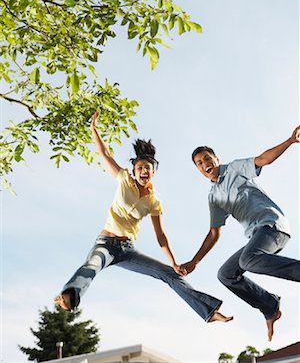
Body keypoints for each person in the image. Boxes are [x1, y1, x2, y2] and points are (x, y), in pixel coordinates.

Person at [54, 111, 233, 324]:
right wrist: (94, 130)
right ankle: (70, 294)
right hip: (105, 244)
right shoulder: (123, 179)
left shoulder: (154, 202)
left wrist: (174, 262)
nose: (143, 171)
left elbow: (161, 236)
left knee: (170, 275)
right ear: (134, 171)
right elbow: (105, 154)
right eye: (139, 168)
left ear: (153, 172)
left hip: (128, 251)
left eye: (147, 168)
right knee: (92, 265)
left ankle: (209, 311)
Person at [181, 125, 300, 341]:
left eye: (207, 158)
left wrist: (290, 141)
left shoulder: (235, 168)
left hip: (272, 226)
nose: (205, 164)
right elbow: (214, 233)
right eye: (199, 163)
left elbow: (263, 159)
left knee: (247, 260)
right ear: (198, 170)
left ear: (216, 159)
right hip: (256, 237)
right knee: (226, 274)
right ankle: (270, 306)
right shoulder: (214, 196)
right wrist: (195, 261)